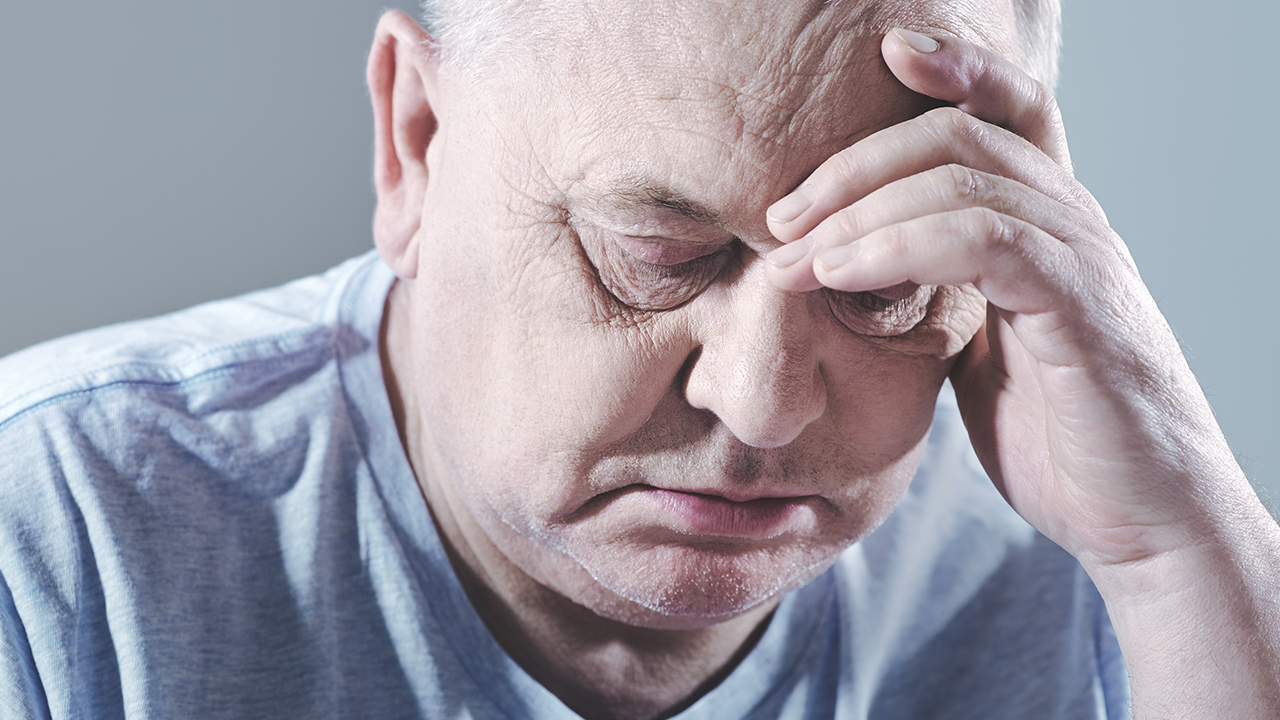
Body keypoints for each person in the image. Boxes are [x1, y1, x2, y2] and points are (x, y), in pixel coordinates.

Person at [0, 0, 1276, 718]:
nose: (761, 405)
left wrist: (1186, 557)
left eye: (883, 285)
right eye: (658, 255)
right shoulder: (57, 542)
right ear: (416, 142)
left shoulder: (1084, 557)